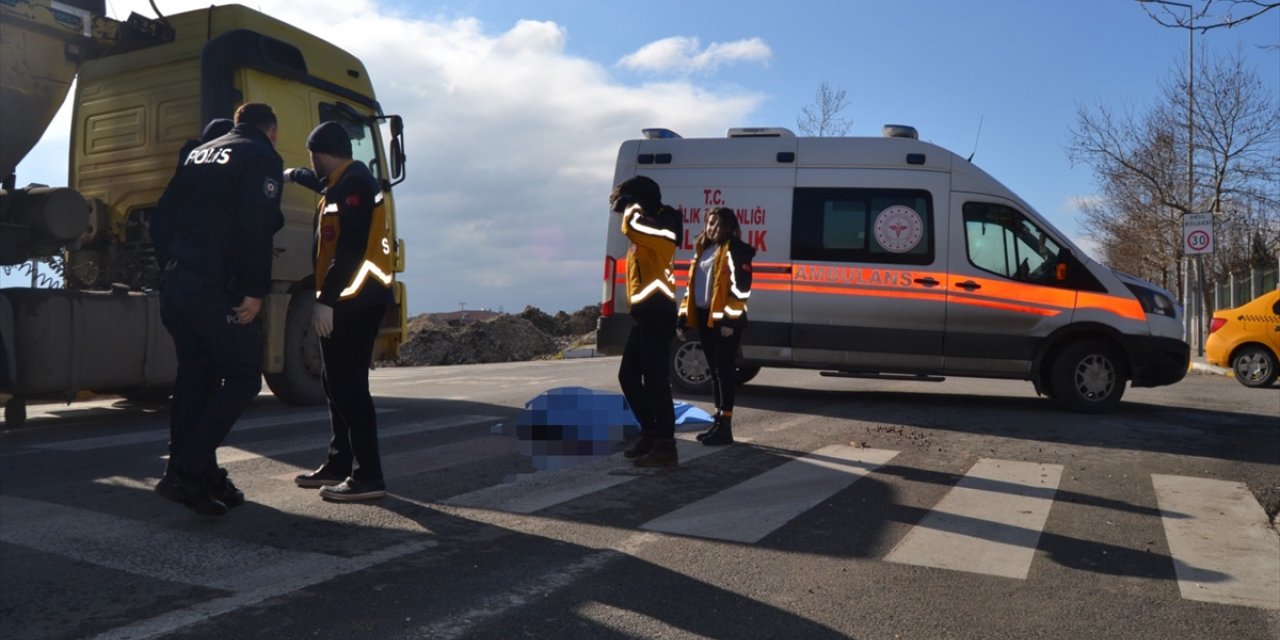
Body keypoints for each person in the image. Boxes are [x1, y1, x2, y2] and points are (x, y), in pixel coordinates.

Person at [149, 103, 284, 516]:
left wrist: (174, 265)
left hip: (178, 281)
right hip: (213, 287)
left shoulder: (199, 152)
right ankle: (186, 471)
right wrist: (254, 290)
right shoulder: (261, 156)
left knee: (196, 375)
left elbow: (161, 218)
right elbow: (255, 227)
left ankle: (199, 476)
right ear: (271, 130)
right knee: (243, 378)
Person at [290, 121, 395, 501]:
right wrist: (293, 175)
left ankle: (368, 476)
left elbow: (350, 250)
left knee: (350, 389)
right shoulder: (344, 181)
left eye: (310, 159)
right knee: (335, 385)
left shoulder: (353, 186)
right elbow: (318, 184)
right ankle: (338, 462)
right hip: (350, 301)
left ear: (320, 154)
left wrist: (326, 301)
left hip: (355, 301)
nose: (311, 165)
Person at [610, 176, 682, 468]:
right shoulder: (648, 228)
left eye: (626, 202)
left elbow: (632, 226)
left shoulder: (664, 227)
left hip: (659, 312)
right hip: (644, 315)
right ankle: (651, 433)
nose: (621, 211)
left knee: (656, 382)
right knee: (628, 376)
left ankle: (667, 446)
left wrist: (630, 208)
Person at [678, 206, 754, 446]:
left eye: (719, 224)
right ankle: (718, 420)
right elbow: (692, 287)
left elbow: (741, 289)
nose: (713, 228)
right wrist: (682, 317)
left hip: (724, 322)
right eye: (711, 223)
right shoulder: (703, 249)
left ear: (731, 228)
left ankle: (726, 426)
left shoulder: (736, 250)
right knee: (715, 372)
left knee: (725, 372)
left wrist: (730, 321)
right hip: (704, 317)